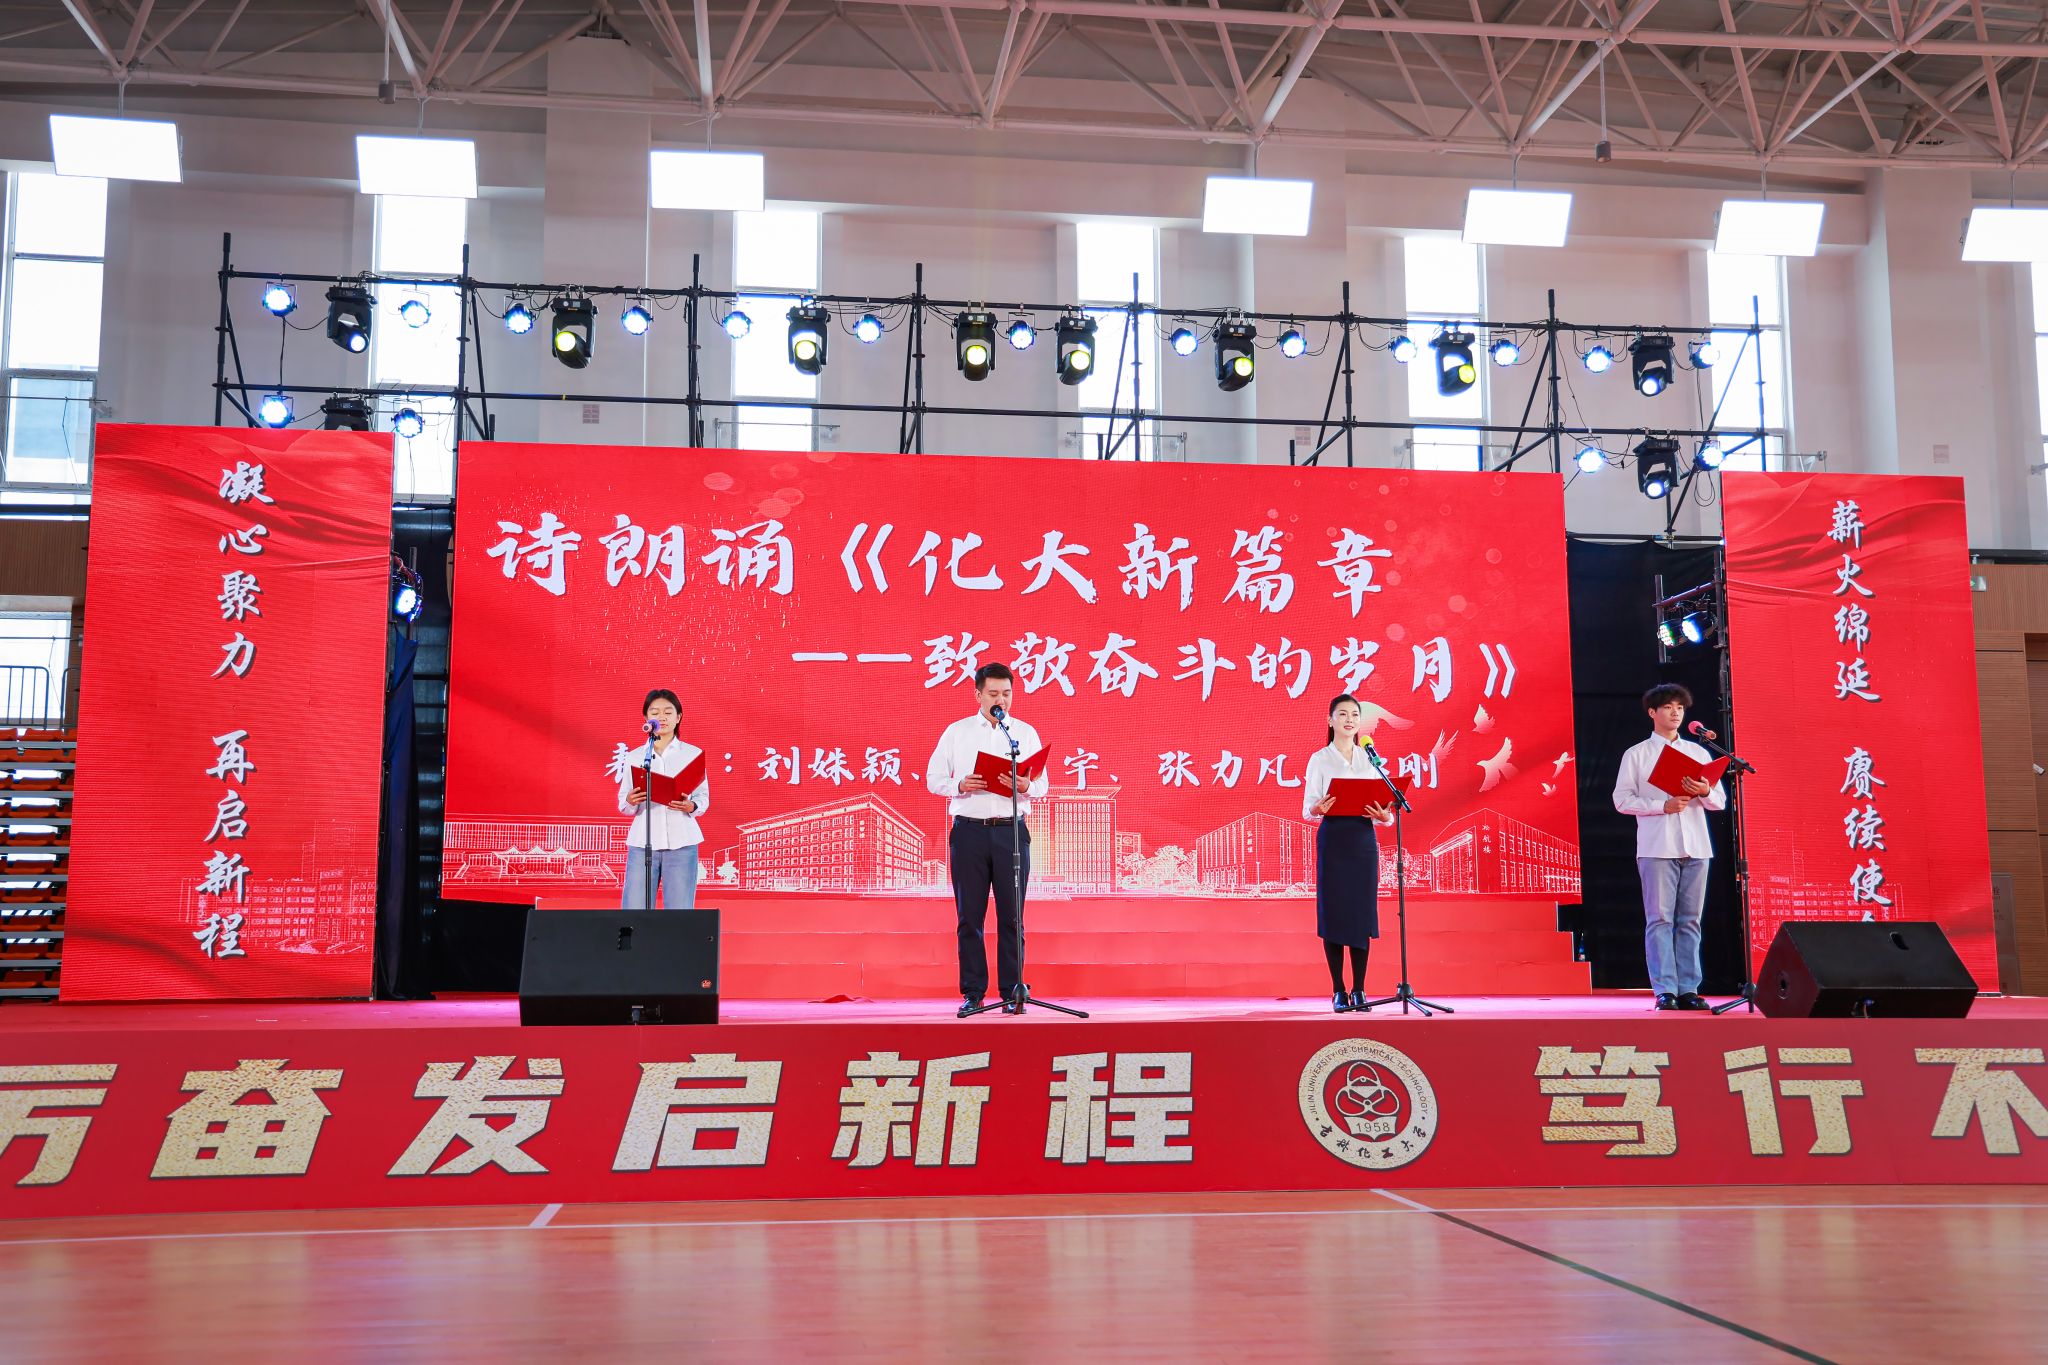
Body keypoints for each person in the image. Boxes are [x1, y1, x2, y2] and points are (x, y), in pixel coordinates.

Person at [925, 662, 1048, 1017]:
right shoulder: (957, 732)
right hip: (970, 833)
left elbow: (1042, 785)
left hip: (1011, 832)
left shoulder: (1023, 733)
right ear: (978, 695)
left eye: (1007, 693)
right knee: (970, 918)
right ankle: (973, 993)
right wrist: (960, 785)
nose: (1001, 700)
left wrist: (1027, 785)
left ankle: (1012, 992)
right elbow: (933, 779)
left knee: (1012, 917)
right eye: (993, 693)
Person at [1612, 682, 1726, 1011]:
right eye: (1668, 707)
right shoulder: (1637, 754)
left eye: (1680, 707)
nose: (1675, 713)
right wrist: (1661, 805)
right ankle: (1665, 990)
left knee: (1690, 920)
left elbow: (1719, 802)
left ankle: (1689, 988)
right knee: (1660, 920)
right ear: (1652, 712)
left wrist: (1705, 791)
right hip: (1657, 847)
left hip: (1697, 847)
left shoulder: (1699, 752)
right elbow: (1621, 800)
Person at [1303, 694, 1395, 1013]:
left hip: (1362, 839)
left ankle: (1359, 989)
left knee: (1359, 914)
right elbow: (1308, 808)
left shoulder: (1370, 759)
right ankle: (1338, 990)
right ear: (1330, 721)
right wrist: (1317, 808)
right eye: (1342, 714)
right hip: (1334, 839)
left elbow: (1384, 807)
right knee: (1335, 914)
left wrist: (1385, 816)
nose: (1349, 720)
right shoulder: (1320, 759)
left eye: (1354, 714)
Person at [617, 687, 710, 910]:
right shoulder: (636, 756)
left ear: (678, 717)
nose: (662, 717)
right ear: (646, 718)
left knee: (679, 911)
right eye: (655, 712)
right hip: (642, 843)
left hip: (682, 842)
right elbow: (624, 803)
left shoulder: (692, 754)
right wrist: (631, 800)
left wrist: (691, 805)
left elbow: (703, 798)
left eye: (668, 712)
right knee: (635, 910)